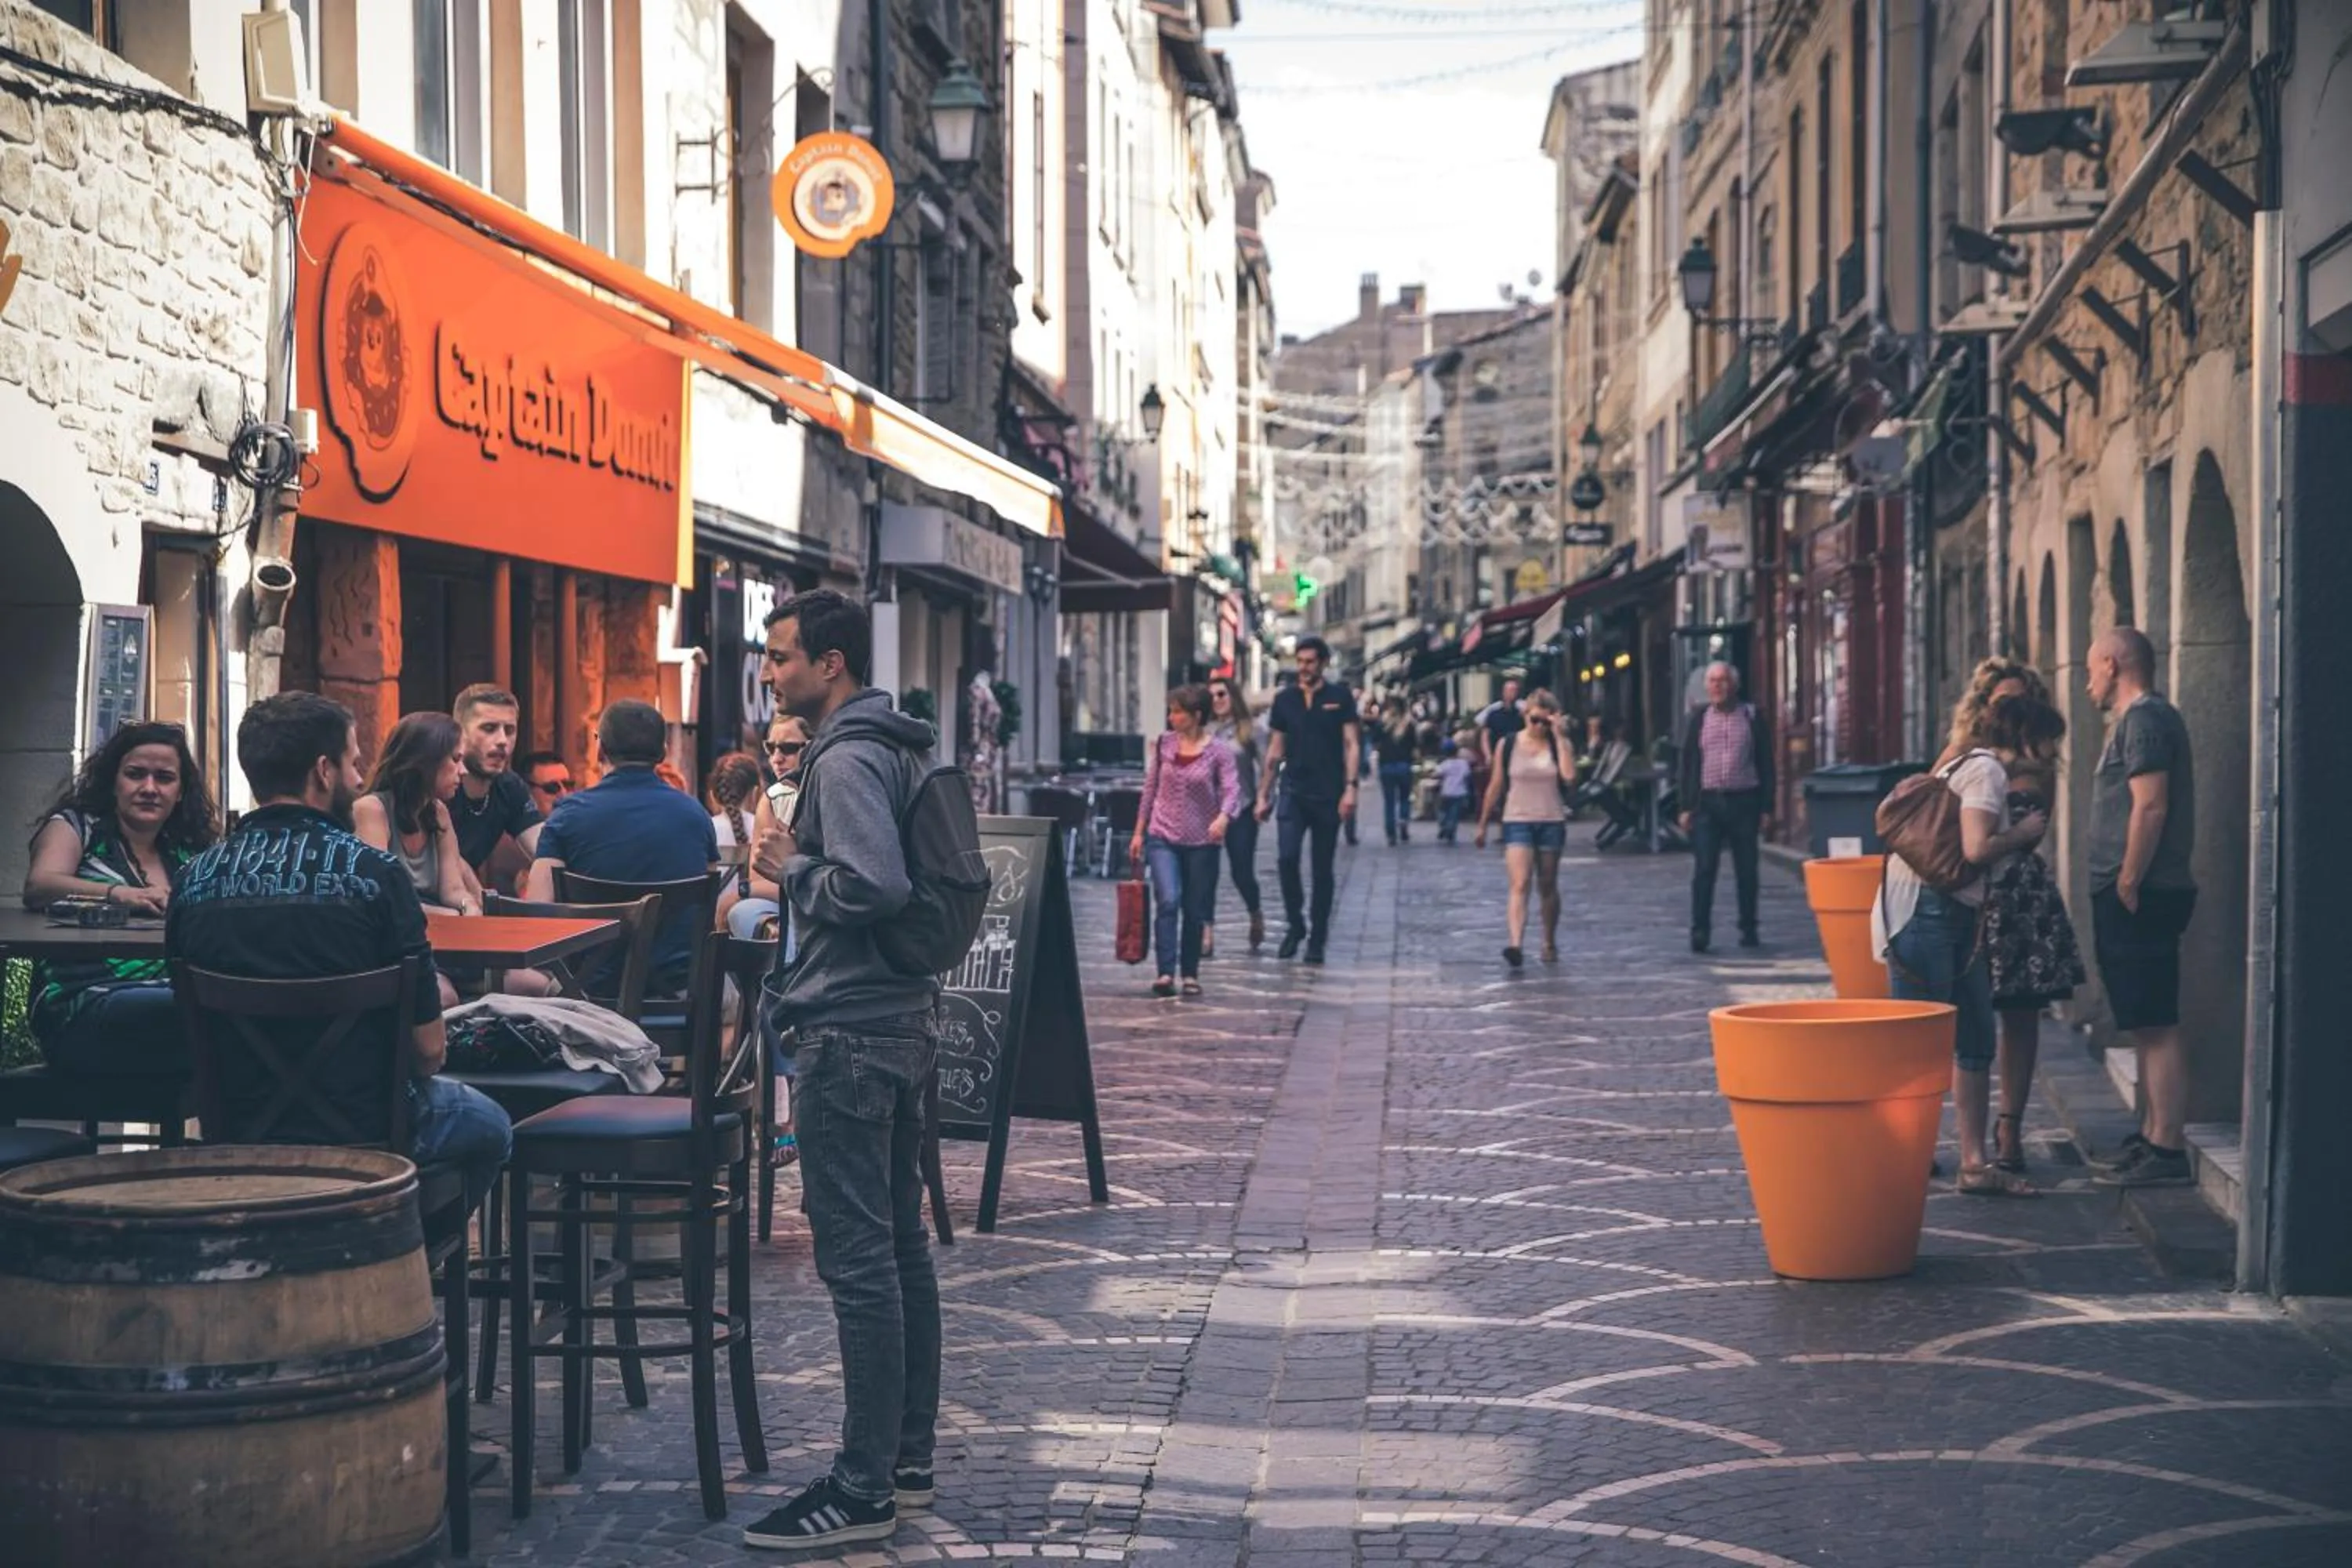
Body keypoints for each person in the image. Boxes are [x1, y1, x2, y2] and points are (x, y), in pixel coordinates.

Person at [739, 590, 942, 1551]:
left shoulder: (850, 755)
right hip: (895, 1020)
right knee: (898, 1249)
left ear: (831, 663)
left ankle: (863, 1484)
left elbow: (876, 883)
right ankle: (906, 1461)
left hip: (850, 1028)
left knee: (861, 1262)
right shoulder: (895, 743)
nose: (770, 673)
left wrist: (792, 867)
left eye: (781, 656)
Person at [166, 692, 511, 1210]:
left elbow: (185, 1028)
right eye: (353, 762)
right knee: (493, 1127)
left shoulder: (193, 880)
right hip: (369, 1120)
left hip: (238, 1124)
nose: (359, 776)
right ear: (323, 771)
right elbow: (428, 1052)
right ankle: (400, 1245)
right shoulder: (378, 876)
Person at [1873, 695, 2050, 1197]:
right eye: (2047, 742)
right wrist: (2022, 833)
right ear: (2026, 738)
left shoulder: (1963, 761)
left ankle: (1972, 1164)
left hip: (1941, 909)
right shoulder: (1988, 771)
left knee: (1972, 1035)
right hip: (1930, 910)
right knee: (1921, 1042)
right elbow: (1975, 848)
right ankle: (1907, 1153)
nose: (2051, 754)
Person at [1938, 661, 2084, 1177]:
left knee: (2021, 1017)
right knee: (1965, 1021)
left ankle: (2009, 1127)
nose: (2013, 711)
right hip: (1972, 895)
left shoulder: (2040, 759)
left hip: (2022, 899)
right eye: (2003, 702)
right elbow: (1932, 812)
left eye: (2022, 701)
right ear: (1985, 707)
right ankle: (1962, 1138)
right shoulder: (1964, 753)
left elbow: (2039, 826)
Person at [21, 720, 220, 1076]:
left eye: (164, 778)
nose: (149, 788)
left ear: (180, 792)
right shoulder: (78, 826)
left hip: (172, 994)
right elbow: (40, 885)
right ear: (113, 781)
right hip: (84, 1000)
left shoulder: (187, 851)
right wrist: (121, 895)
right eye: (135, 774)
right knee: (208, 1009)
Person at [2083, 626, 2199, 1189]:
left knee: (2155, 1020)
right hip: (2133, 890)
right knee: (2144, 1020)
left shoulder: (2145, 720)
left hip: (2142, 892)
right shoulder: (2139, 720)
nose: (2088, 683)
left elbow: (2150, 806)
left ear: (2111, 663)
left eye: (2091, 669)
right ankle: (2153, 1135)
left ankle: (2167, 1147)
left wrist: (2129, 878)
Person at [527, 700, 718, 996]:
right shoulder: (696, 816)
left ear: (600, 749)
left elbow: (536, 914)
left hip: (587, 992)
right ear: (663, 752)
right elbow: (708, 912)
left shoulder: (567, 816)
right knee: (730, 999)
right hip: (678, 991)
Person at [355, 713, 485, 1009]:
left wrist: (468, 907)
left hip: (445, 944)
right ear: (425, 762)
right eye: (455, 759)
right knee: (444, 998)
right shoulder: (371, 810)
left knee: (535, 983)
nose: (464, 771)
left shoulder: (437, 812)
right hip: (396, 948)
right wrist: (452, 917)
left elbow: (453, 889)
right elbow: (384, 898)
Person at [1129, 684, 1241, 998]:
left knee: (1194, 908)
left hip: (1203, 841)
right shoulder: (1165, 744)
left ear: (1196, 715)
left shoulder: (1219, 752)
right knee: (1168, 899)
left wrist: (1224, 817)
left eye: (1178, 712)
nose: (1172, 717)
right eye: (1171, 711)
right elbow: (1150, 789)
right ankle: (1165, 972)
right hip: (1162, 836)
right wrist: (1139, 831)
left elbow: (1232, 790)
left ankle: (1190, 972)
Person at [1254, 637, 1361, 966]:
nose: (1303, 668)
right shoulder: (1285, 700)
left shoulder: (1339, 697)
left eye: (1310, 662)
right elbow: (1275, 749)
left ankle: (1318, 937)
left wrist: (1351, 787)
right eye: (1300, 661)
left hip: (1328, 793)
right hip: (1293, 791)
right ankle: (1296, 923)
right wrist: (1263, 794)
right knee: (1286, 859)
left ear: (1323, 663)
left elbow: (1351, 744)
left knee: (1322, 869)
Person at [1676, 662, 1775, 953]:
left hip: (1744, 801)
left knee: (1747, 870)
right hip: (1708, 803)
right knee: (1705, 868)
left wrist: (1767, 807)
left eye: (1722, 680)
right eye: (1712, 681)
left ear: (1734, 685)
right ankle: (1700, 931)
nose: (1717, 686)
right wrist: (1686, 805)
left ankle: (1749, 927)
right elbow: (1688, 764)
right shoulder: (1699, 719)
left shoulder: (1751, 717)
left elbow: (1766, 763)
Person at [1473, 689, 1570, 967]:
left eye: (1544, 721)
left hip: (1551, 820)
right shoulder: (1508, 744)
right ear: (1525, 716)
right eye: (1534, 719)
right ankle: (1515, 944)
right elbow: (1495, 785)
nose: (1538, 726)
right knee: (1520, 882)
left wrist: (1560, 737)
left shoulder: (1558, 744)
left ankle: (1549, 940)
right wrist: (1483, 824)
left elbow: (1569, 776)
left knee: (1547, 884)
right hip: (1516, 820)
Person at [446, 686, 545, 898]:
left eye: (509, 730)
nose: (502, 740)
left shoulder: (509, 786)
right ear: (459, 733)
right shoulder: (438, 782)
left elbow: (545, 849)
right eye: (489, 728)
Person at [1204, 677, 1265, 954]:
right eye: (1212, 696)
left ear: (1233, 697)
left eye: (1222, 694)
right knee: (1206, 872)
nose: (1217, 700)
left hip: (1241, 808)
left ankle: (1255, 912)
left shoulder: (1249, 730)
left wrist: (1264, 799)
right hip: (1208, 811)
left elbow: (1266, 766)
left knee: (1242, 871)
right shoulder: (1204, 731)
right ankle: (1206, 931)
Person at [1372, 699, 1421, 846]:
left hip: (1386, 765)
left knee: (1389, 802)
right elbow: (1415, 746)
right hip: (1404, 765)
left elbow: (1375, 743)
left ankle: (1391, 833)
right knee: (1405, 798)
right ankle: (1403, 820)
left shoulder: (1381, 725)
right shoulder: (1409, 725)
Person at [1476, 676, 1525, 768]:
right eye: (1510, 690)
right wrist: (1488, 755)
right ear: (1504, 692)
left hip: (1517, 756)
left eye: (1515, 690)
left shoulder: (1522, 715)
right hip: (1498, 755)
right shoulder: (1494, 714)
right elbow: (1485, 735)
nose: (1513, 693)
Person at [1433, 739, 1472, 844]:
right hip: (1460, 792)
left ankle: (1443, 825)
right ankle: (1451, 830)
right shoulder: (1464, 763)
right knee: (1454, 814)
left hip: (1446, 792)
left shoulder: (1445, 764)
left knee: (1442, 811)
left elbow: (1436, 774)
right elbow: (1467, 776)